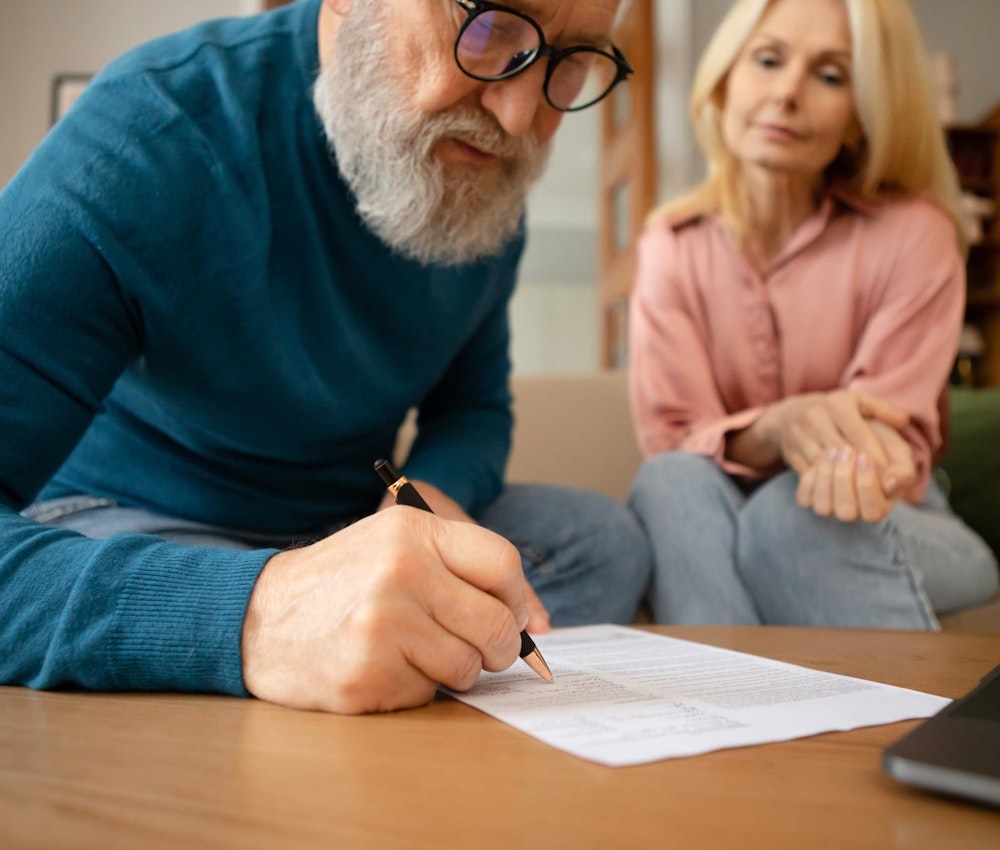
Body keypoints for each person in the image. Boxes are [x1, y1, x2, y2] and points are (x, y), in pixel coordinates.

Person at [0, 0, 652, 714]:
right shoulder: (148, 132)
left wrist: (433, 494)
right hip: (139, 520)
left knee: (601, 542)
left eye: (575, 58)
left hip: (348, 524)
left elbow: (472, 405)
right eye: (490, 29)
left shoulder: (482, 176)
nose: (520, 117)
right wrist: (255, 616)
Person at [627, 0, 998, 629]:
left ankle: (904, 727)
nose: (787, 93)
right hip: (717, 510)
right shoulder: (673, 243)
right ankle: (723, 712)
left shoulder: (916, 233)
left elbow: (886, 435)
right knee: (669, 483)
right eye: (767, 60)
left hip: (896, 516)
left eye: (830, 76)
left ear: (861, 116)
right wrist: (776, 427)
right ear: (724, 81)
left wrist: (850, 456)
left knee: (792, 517)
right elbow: (673, 437)